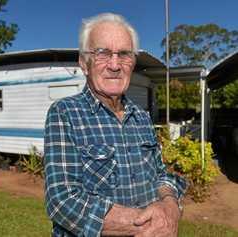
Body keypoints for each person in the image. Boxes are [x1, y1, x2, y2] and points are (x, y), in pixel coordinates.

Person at [44, 13, 186, 237]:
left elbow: (161, 175)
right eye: (102, 53)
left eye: (124, 54)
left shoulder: (142, 117)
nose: (114, 65)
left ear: (133, 63)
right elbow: (63, 201)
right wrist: (149, 224)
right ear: (84, 63)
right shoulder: (65, 113)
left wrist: (170, 206)